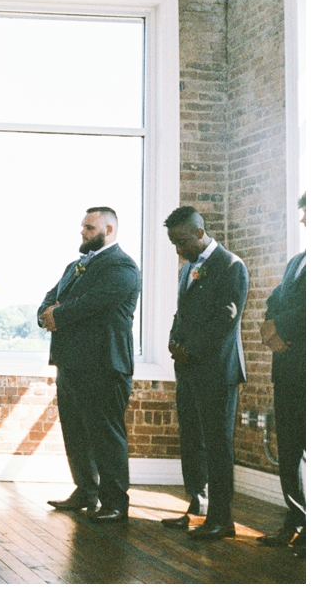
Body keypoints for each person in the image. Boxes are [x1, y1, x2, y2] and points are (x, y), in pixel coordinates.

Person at [38, 207, 141, 524]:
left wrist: (58, 314)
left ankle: (115, 502)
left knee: (106, 435)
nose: (82, 232)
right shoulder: (75, 265)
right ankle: (85, 490)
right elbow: (50, 296)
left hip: (104, 365)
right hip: (71, 364)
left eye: (89, 227)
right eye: (83, 226)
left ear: (108, 230)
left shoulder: (122, 266)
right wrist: (46, 312)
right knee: (76, 432)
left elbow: (93, 304)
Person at [163, 205, 248, 540]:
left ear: (200, 232)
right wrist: (173, 341)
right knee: (191, 441)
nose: (178, 250)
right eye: (173, 243)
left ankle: (221, 518)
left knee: (217, 444)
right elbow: (181, 313)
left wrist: (191, 349)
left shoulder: (231, 266)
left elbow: (227, 319)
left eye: (181, 241)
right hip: (188, 369)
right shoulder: (187, 270)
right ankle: (196, 506)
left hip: (218, 371)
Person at [257, 193, 305, 555]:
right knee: (289, 450)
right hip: (287, 372)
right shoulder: (297, 262)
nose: (304, 223)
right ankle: (296, 520)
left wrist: (283, 329)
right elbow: (275, 299)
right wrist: (271, 326)